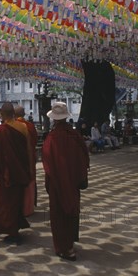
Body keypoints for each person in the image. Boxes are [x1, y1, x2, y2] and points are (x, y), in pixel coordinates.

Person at [42, 102, 90, 261]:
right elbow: (84, 157)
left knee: (59, 215)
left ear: (54, 119)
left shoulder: (52, 137)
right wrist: (80, 176)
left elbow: (47, 163)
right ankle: (69, 245)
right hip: (73, 182)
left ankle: (64, 248)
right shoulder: (74, 134)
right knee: (71, 211)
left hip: (57, 182)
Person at [0, 102, 31, 245]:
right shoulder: (23, 127)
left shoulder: (0, 130)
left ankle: (12, 232)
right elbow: (28, 150)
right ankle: (15, 229)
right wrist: (28, 170)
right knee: (16, 202)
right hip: (20, 172)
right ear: (13, 114)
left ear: (2, 115)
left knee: (5, 204)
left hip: (7, 174)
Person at [14, 105, 38, 217]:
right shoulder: (30, 126)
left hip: (16, 158)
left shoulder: (11, 126)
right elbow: (35, 140)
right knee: (30, 180)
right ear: (24, 114)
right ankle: (29, 207)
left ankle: (18, 206)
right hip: (29, 157)